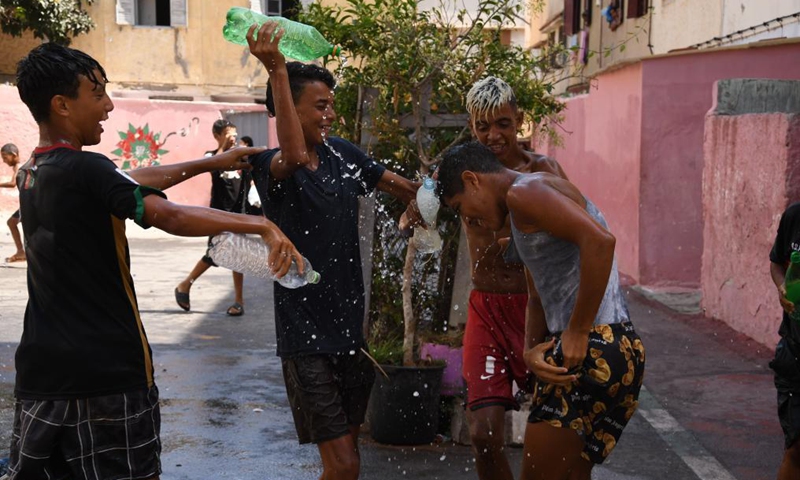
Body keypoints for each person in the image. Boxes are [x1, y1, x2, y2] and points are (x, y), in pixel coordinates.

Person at [8, 42, 302, 480]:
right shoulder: (86, 170)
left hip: (41, 379)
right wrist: (260, 226)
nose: (108, 105)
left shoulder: (33, 171)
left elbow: (127, 180)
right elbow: (170, 214)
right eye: (97, 93)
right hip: (107, 379)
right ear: (62, 105)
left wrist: (213, 163)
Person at [245, 22, 420, 480]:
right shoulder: (274, 166)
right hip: (307, 340)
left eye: (332, 105)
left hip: (350, 334)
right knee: (341, 466)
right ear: (290, 109)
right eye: (320, 106)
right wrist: (278, 71)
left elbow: (400, 187)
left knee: (350, 465)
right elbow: (294, 155)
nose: (331, 115)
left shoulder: (341, 152)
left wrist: (430, 202)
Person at [436, 141, 645, 480]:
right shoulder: (523, 207)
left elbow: (600, 242)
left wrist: (577, 330)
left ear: (473, 179)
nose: (468, 219)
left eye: (461, 207)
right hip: (618, 348)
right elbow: (536, 293)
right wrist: (530, 350)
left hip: (593, 345)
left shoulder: (524, 192)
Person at [443, 76, 570, 480]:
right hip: (487, 309)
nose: (493, 135)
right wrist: (414, 209)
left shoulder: (543, 171)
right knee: (482, 433)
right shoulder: (464, 169)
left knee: (557, 432)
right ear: (471, 125)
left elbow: (577, 233)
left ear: (519, 120)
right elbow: (428, 194)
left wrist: (517, 240)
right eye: (483, 126)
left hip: (542, 310)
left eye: (502, 123)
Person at [174, 120, 252, 316]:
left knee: (238, 256)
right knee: (213, 254)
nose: (232, 138)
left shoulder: (241, 156)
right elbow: (212, 164)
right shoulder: (211, 156)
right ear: (217, 136)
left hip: (237, 214)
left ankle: (239, 302)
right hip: (217, 215)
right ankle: (185, 285)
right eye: (227, 134)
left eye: (234, 134)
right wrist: (223, 148)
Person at [769, 201, 800, 480]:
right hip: (795, 352)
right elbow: (777, 262)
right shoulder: (795, 216)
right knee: (796, 448)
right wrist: (782, 286)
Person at [1, 143, 25, 263]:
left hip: (28, 205)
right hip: (26, 204)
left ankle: (23, 252)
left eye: (5, 157)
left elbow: (12, 183)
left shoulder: (19, 166)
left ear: (14, 155)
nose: (4, 161)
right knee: (12, 222)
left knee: (12, 223)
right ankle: (21, 252)